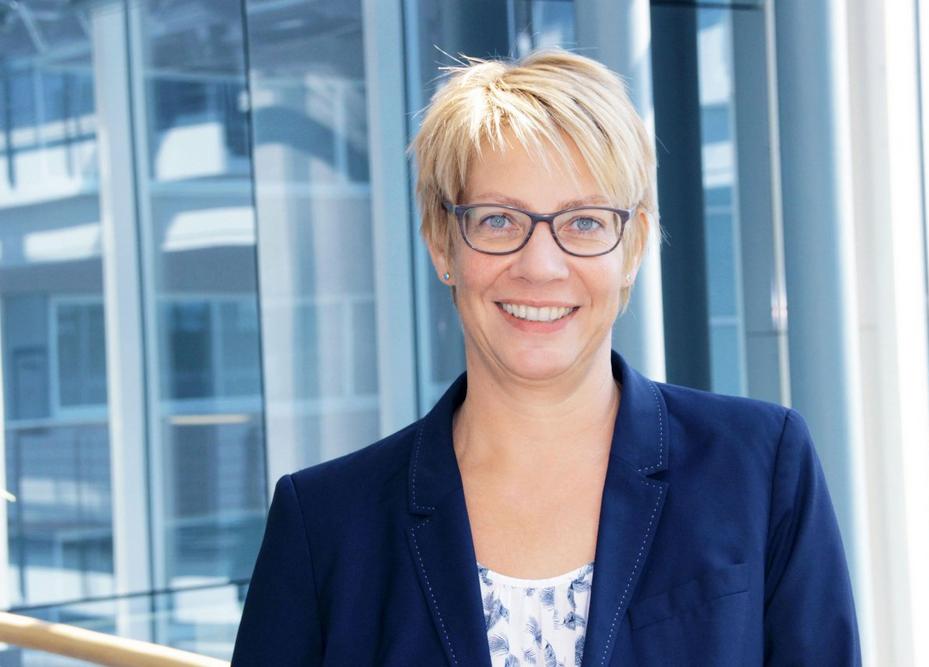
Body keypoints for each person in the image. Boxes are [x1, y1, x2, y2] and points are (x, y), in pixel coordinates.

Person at [231, 48, 861, 666]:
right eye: (498, 220)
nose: (540, 266)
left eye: (584, 222)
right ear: (442, 243)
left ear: (633, 247)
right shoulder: (325, 525)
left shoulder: (759, 466)